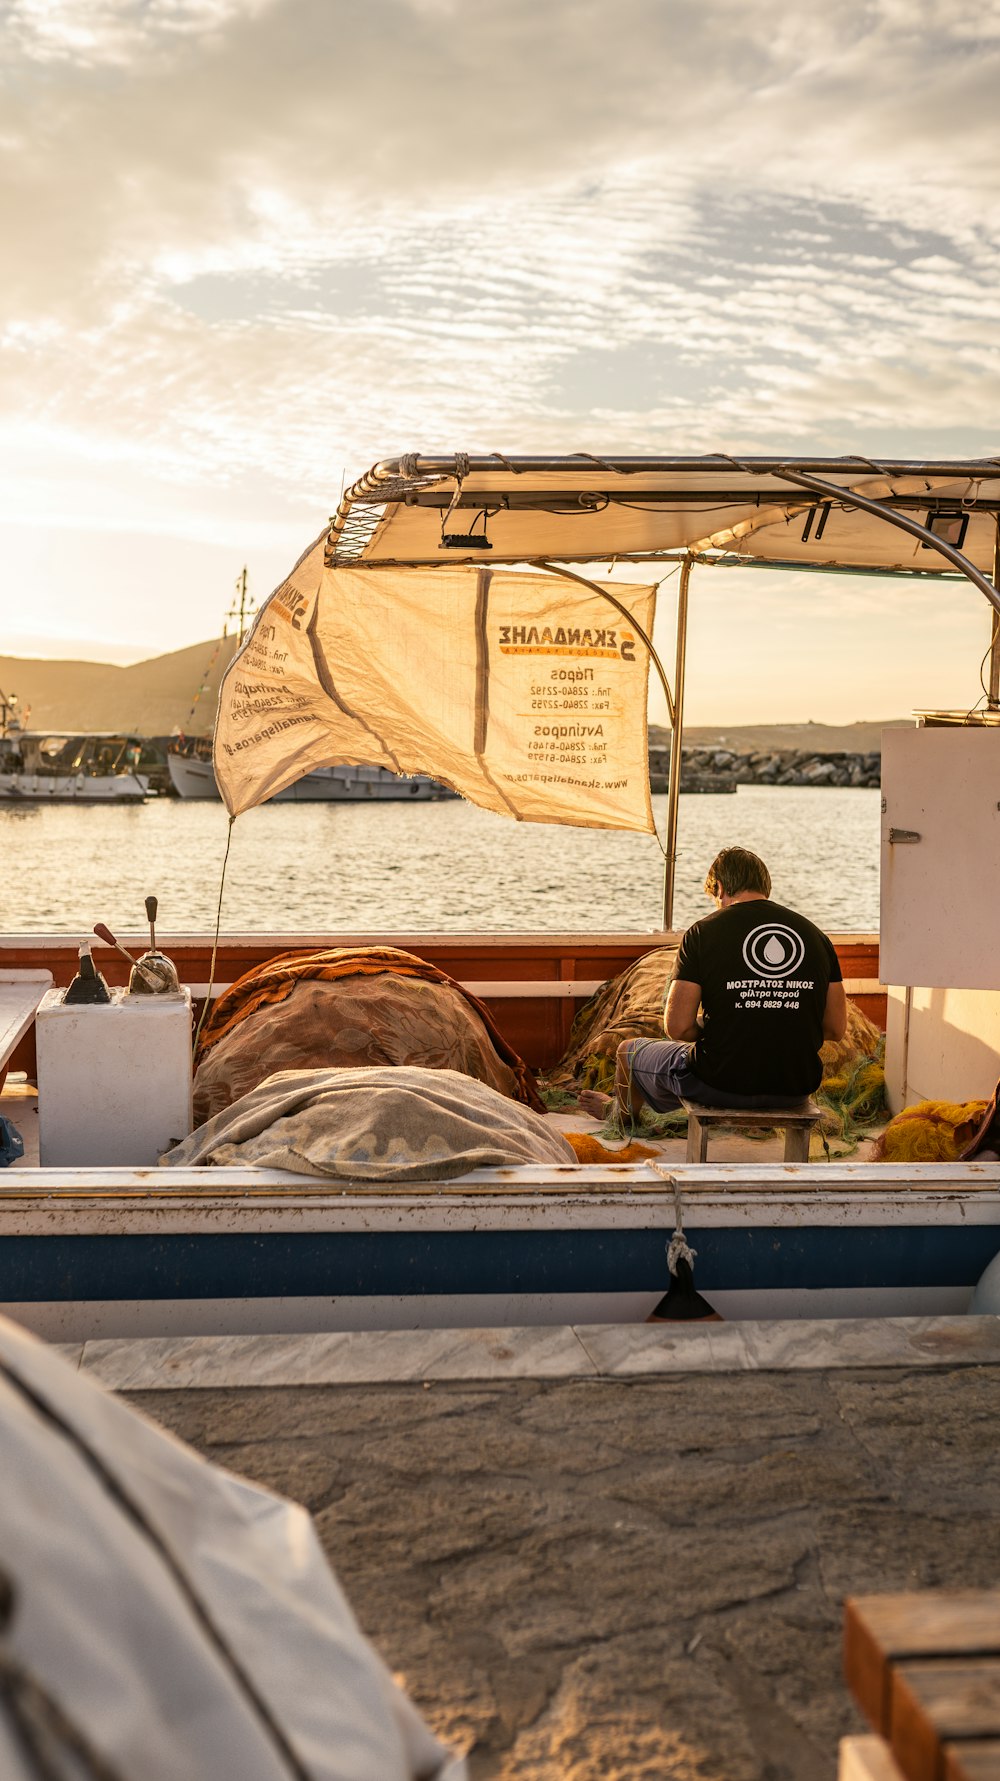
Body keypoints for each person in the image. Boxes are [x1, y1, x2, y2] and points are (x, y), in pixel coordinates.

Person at [579, 845, 848, 1124]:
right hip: (794, 1089)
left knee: (629, 1052)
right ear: (764, 887)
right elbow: (835, 1028)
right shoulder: (817, 937)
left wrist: (715, 1024)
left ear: (719, 888)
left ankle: (620, 1116)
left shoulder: (702, 932)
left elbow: (678, 1028)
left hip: (720, 1085)